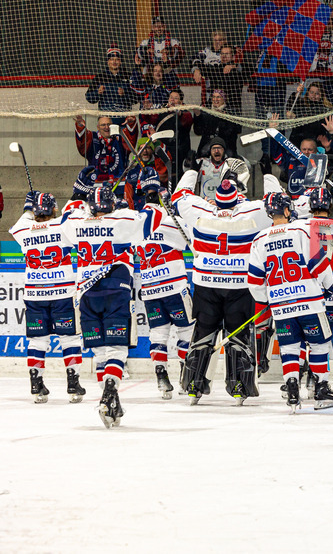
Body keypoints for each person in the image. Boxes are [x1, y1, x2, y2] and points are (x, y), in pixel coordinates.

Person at [172, 172, 284, 404]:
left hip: (206, 285)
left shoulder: (201, 211)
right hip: (239, 287)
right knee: (238, 335)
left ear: (216, 199)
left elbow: (179, 196)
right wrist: (268, 175)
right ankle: (239, 386)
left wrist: (191, 171)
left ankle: (194, 384)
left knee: (203, 332)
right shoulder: (252, 212)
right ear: (237, 199)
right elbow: (276, 199)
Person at [248, 192, 333, 411]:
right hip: (310, 302)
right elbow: (318, 263)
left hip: (281, 306)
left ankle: (292, 389)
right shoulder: (301, 230)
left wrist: (267, 300)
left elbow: (254, 280)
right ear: (286, 210)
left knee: (289, 347)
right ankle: (321, 390)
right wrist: (330, 285)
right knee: (319, 344)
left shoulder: (259, 239)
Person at [70, 184, 155, 427]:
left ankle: (110, 401)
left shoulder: (76, 221)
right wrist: (151, 193)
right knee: (116, 350)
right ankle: (110, 392)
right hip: (116, 289)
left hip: (87, 294)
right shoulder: (123, 219)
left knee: (99, 352)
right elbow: (152, 218)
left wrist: (78, 192)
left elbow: (67, 212)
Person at [9, 191, 87, 404]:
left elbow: (22, 219)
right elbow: (78, 220)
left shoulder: (23, 228)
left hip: (34, 294)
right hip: (62, 293)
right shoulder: (63, 224)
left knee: (37, 340)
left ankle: (36, 384)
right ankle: (73, 383)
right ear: (54, 208)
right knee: (69, 338)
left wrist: (29, 205)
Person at [133, 169, 193, 399]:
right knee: (186, 330)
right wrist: (176, 212)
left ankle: (161, 376)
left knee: (158, 333)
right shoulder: (169, 221)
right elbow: (189, 241)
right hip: (175, 286)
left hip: (150, 289)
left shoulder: (136, 222)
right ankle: (185, 376)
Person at [74, 114, 139, 188]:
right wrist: (80, 126)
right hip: (96, 184)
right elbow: (82, 142)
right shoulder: (92, 137)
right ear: (98, 127)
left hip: (119, 183)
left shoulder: (120, 137)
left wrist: (131, 123)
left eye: (109, 124)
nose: (106, 127)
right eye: (103, 125)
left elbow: (131, 138)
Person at [194, 136, 249, 200]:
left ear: (224, 150)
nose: (216, 151)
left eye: (219, 148)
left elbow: (248, 166)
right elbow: (188, 172)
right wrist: (187, 163)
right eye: (214, 148)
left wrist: (240, 158)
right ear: (210, 151)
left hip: (224, 202)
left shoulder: (230, 164)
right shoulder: (202, 163)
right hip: (206, 202)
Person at [86, 45, 135, 114]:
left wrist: (124, 94)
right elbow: (89, 98)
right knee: (104, 120)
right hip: (105, 115)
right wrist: (97, 92)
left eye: (117, 59)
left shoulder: (128, 76)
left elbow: (136, 99)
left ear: (120, 61)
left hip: (124, 114)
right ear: (108, 62)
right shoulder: (99, 77)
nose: (114, 62)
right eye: (112, 59)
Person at [193, 89, 243, 156]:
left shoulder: (231, 112)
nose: (215, 99)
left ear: (224, 99)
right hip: (207, 147)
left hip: (226, 146)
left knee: (229, 155)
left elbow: (237, 130)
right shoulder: (205, 111)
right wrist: (198, 116)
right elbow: (198, 131)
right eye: (213, 97)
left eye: (218, 97)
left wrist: (223, 118)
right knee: (202, 153)